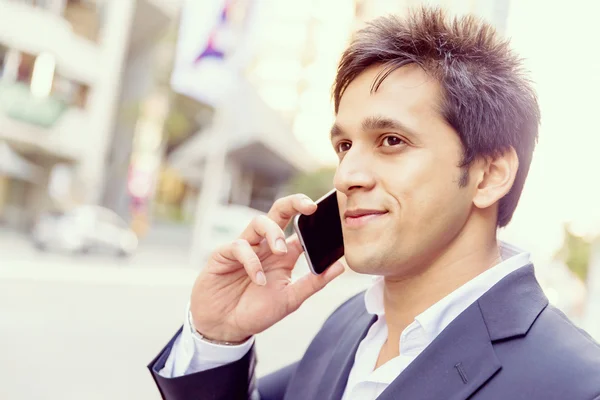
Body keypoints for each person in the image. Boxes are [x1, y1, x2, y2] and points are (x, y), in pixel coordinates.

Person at [148, 7, 600, 400]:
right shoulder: (350, 326)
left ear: (490, 174)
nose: (346, 176)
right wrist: (219, 336)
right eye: (344, 146)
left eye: (391, 140)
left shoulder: (577, 383)